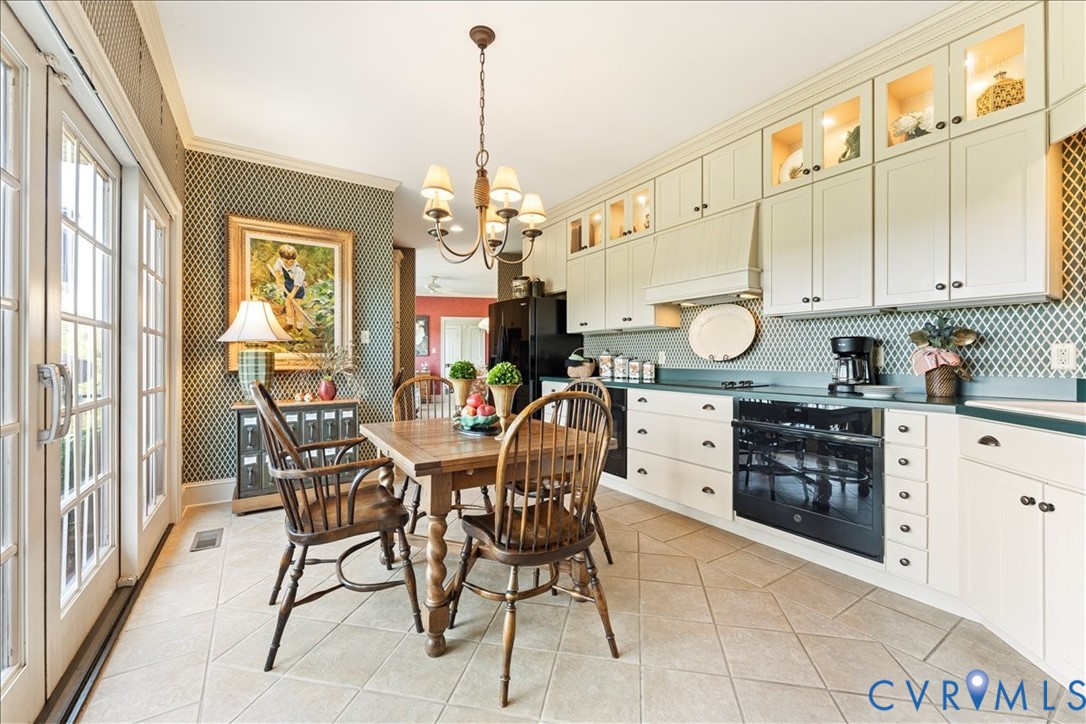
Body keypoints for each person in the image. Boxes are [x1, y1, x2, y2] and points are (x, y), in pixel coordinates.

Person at [273, 244, 307, 331]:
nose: (288, 264)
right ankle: (290, 323)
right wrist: (277, 279)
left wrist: (292, 294)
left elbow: (297, 285)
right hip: (288, 285)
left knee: (297, 307)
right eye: (286, 261)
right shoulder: (280, 260)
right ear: (282, 258)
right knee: (288, 304)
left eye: (291, 261)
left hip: (297, 287)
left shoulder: (298, 270)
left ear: (294, 260)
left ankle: (299, 327)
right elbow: (277, 269)